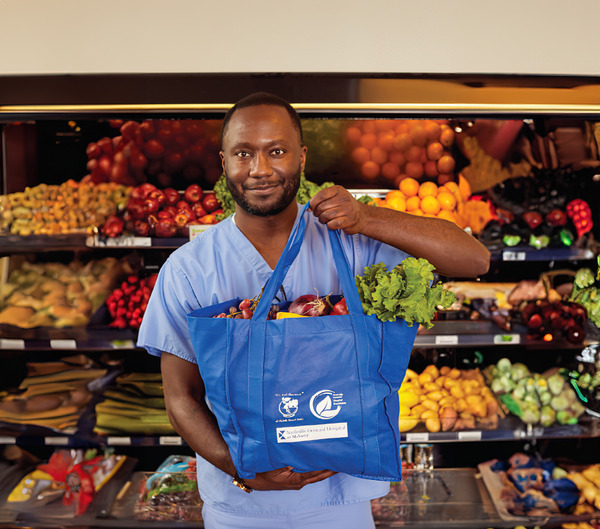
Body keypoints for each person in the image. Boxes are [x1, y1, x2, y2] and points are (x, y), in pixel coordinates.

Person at [137, 92, 490, 529]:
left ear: (301, 158)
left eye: (277, 151)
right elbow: (181, 399)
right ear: (224, 162)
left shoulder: (350, 241)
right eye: (244, 153)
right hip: (239, 508)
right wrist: (241, 469)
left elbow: (474, 260)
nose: (260, 169)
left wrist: (368, 218)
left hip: (340, 503)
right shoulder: (190, 268)